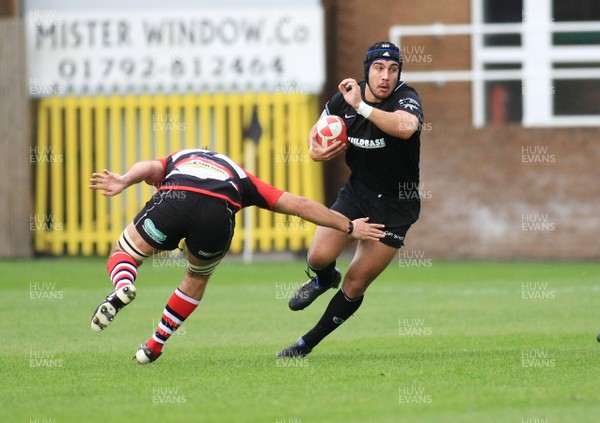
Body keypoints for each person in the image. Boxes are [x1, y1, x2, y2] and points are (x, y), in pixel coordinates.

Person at [88, 148, 385, 364]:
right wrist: (348, 225)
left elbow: (149, 168)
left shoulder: (180, 157)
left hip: (176, 199)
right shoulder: (243, 178)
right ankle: (153, 346)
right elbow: (300, 205)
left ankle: (122, 285)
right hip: (218, 213)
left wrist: (125, 180)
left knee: (125, 252)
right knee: (196, 276)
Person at [277, 41, 424, 358]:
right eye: (378, 68)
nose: (386, 76)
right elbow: (317, 131)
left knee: (356, 283)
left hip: (396, 206)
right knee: (317, 256)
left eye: (393, 69)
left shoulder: (405, 98)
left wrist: (363, 108)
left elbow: (407, 128)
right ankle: (324, 278)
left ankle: (306, 344)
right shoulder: (343, 100)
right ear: (366, 71)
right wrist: (314, 149)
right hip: (357, 194)